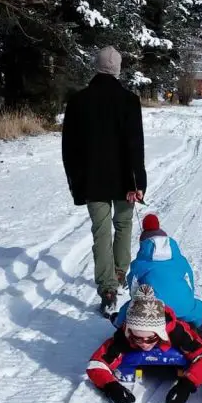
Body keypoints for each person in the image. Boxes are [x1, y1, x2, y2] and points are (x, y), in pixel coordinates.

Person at [61, 46, 146, 317]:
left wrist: (76, 183)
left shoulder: (78, 101)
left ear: (96, 67)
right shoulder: (129, 100)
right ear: (118, 69)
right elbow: (135, 145)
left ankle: (108, 290)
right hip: (124, 180)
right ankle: (119, 273)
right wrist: (138, 182)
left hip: (93, 180)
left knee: (101, 231)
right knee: (123, 225)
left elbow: (69, 148)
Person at [87, 285, 202, 403]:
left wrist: (186, 385)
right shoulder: (124, 336)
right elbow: (97, 364)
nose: (144, 344)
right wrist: (110, 386)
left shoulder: (178, 332)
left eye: (150, 339)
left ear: (161, 333)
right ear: (129, 332)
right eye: (137, 338)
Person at [114, 213, 202, 331]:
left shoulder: (139, 264)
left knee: (128, 308)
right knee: (197, 306)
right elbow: (190, 284)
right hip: (183, 310)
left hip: (152, 313)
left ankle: (120, 324)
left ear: (143, 245)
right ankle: (195, 327)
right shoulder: (180, 260)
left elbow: (134, 291)